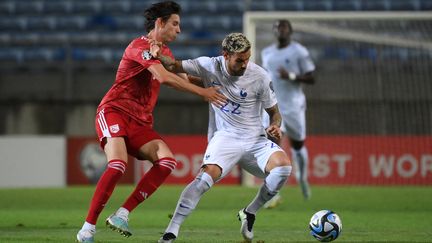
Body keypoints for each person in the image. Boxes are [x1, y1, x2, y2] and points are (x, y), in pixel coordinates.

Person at [76, 1, 226, 242]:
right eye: (175, 24)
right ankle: (87, 229)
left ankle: (122, 214)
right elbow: (163, 77)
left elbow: (185, 76)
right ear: (160, 23)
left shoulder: (165, 52)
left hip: (140, 122)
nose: (179, 29)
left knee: (167, 162)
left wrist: (218, 81)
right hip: (114, 111)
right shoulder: (139, 46)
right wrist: (204, 94)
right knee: (118, 165)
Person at [153, 33, 293, 243]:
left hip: (255, 140)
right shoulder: (208, 65)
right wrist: (158, 54)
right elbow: (173, 66)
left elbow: (275, 112)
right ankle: (171, 231)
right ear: (225, 55)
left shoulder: (260, 76)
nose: (245, 64)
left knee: (283, 168)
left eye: (247, 58)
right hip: (226, 138)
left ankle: (250, 212)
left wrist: (275, 125)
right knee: (204, 179)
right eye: (239, 60)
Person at [261, 19, 316, 202]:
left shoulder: (299, 51)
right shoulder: (266, 53)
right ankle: (271, 192)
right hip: (274, 107)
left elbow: (311, 78)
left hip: (294, 106)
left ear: (290, 31)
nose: (280, 30)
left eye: (283, 27)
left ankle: (302, 178)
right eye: (277, 27)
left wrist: (290, 75)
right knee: (271, 146)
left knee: (298, 146)